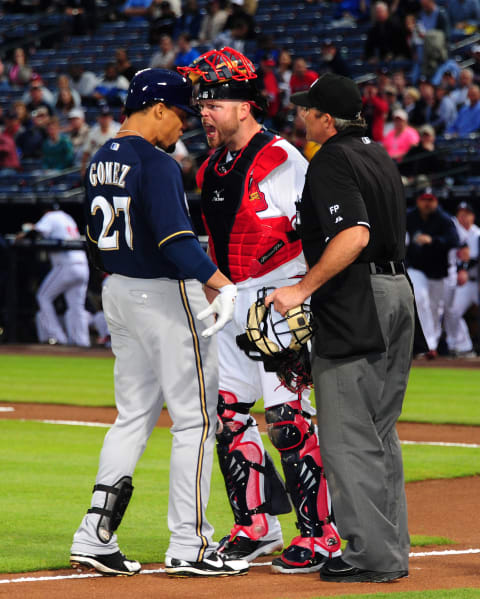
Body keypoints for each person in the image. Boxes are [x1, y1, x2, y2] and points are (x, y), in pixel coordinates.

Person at [70, 67, 249, 579]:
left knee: (132, 416)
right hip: (163, 295)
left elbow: (94, 235)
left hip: (118, 290)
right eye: (180, 115)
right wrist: (221, 283)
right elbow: (175, 240)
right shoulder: (157, 162)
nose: (184, 127)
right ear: (157, 110)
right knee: (195, 419)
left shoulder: (101, 156)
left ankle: (94, 534)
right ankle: (190, 544)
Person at [179, 47, 342, 574]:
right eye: (201, 103)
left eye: (213, 102)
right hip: (234, 299)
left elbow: (313, 232)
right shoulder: (210, 167)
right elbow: (217, 238)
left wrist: (303, 295)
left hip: (280, 298)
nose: (203, 112)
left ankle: (321, 535)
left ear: (245, 105)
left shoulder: (282, 158)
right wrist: (215, 283)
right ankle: (255, 525)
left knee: (288, 421)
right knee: (228, 415)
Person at [266, 72, 421, 583]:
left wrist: (299, 290)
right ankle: (390, 551)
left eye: (308, 108)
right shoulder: (377, 154)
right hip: (397, 293)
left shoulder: (330, 158)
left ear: (326, 119)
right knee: (379, 431)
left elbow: (353, 235)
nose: (301, 113)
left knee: (347, 436)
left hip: (358, 300)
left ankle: (370, 557)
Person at [15, 205, 91, 347]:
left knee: (43, 297)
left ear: (46, 211)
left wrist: (23, 233)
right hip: (83, 264)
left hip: (66, 264)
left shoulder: (51, 216)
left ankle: (58, 337)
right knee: (76, 306)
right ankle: (81, 342)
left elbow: (34, 232)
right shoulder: (68, 217)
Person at [406, 190, 459, 357]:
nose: (427, 203)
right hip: (416, 267)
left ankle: (432, 343)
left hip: (437, 272)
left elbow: (454, 241)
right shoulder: (409, 217)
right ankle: (426, 345)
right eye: (424, 200)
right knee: (421, 299)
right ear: (418, 201)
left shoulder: (444, 219)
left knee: (435, 309)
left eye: (430, 200)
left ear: (436, 202)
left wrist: (433, 240)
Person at [444, 202, 480, 357]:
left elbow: (475, 258)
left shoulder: (477, 233)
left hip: (475, 280)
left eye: (467, 214)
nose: (464, 217)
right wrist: (462, 269)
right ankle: (461, 346)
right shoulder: (452, 229)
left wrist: (464, 268)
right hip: (461, 283)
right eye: (461, 214)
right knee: (452, 311)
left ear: (473, 216)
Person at [81, 104, 121, 176]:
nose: (105, 119)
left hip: (112, 167)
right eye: (102, 117)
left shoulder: (118, 133)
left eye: (107, 117)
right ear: (98, 118)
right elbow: (86, 153)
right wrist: (83, 170)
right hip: (96, 167)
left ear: (111, 118)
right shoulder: (92, 133)